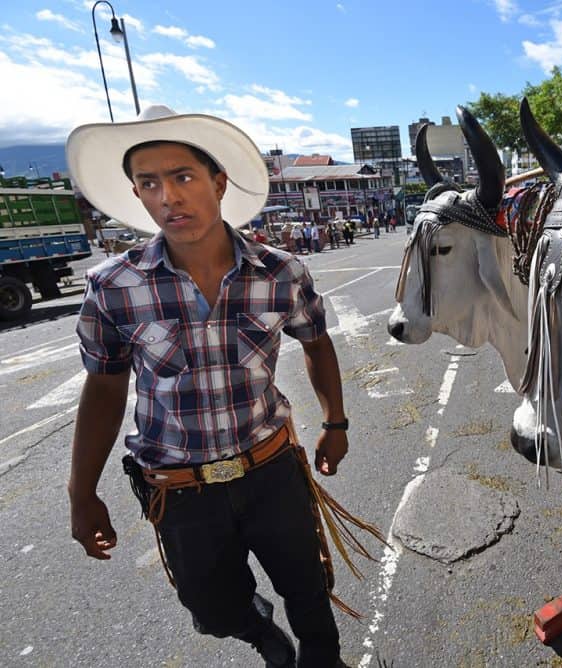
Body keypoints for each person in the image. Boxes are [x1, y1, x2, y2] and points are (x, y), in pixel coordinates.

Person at [65, 105, 370, 668]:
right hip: (179, 489)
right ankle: (260, 635)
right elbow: (104, 391)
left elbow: (316, 342)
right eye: (149, 183)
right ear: (137, 195)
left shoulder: (281, 272)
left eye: (182, 177)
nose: (168, 197)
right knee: (212, 610)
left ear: (219, 182)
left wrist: (335, 424)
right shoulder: (113, 286)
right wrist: (81, 493)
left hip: (272, 470)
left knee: (309, 592)